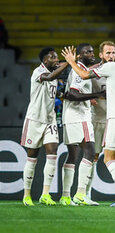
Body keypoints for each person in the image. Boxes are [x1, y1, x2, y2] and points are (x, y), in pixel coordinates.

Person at [61, 40, 115, 207]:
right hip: (99, 119)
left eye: (112, 52)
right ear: (101, 54)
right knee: (93, 156)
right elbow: (80, 85)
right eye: (106, 52)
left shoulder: (109, 68)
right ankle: (86, 194)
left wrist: (71, 62)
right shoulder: (93, 69)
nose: (110, 55)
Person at [21, 48, 69, 206]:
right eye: (53, 57)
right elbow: (49, 77)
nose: (56, 59)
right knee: (32, 156)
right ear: (45, 61)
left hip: (50, 120)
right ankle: (27, 195)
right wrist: (68, 62)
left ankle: (45, 194)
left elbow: (55, 88)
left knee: (52, 152)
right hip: (34, 119)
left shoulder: (55, 75)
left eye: (57, 57)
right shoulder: (38, 72)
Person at [59, 43, 105, 206]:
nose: (92, 54)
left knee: (73, 156)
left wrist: (88, 96)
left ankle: (65, 196)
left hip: (70, 117)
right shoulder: (79, 71)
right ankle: (80, 194)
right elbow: (72, 94)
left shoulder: (78, 69)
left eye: (92, 51)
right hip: (79, 117)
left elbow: (70, 93)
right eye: (88, 52)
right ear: (79, 55)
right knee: (91, 152)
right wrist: (97, 94)